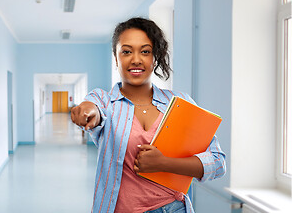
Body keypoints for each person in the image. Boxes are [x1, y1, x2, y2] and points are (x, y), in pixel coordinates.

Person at [70, 17, 226, 213]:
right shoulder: (106, 101)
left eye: (145, 51)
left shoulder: (179, 103)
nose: (136, 59)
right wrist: (86, 110)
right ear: (116, 57)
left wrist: (164, 163)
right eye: (126, 51)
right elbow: (93, 107)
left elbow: (217, 163)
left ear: (155, 57)